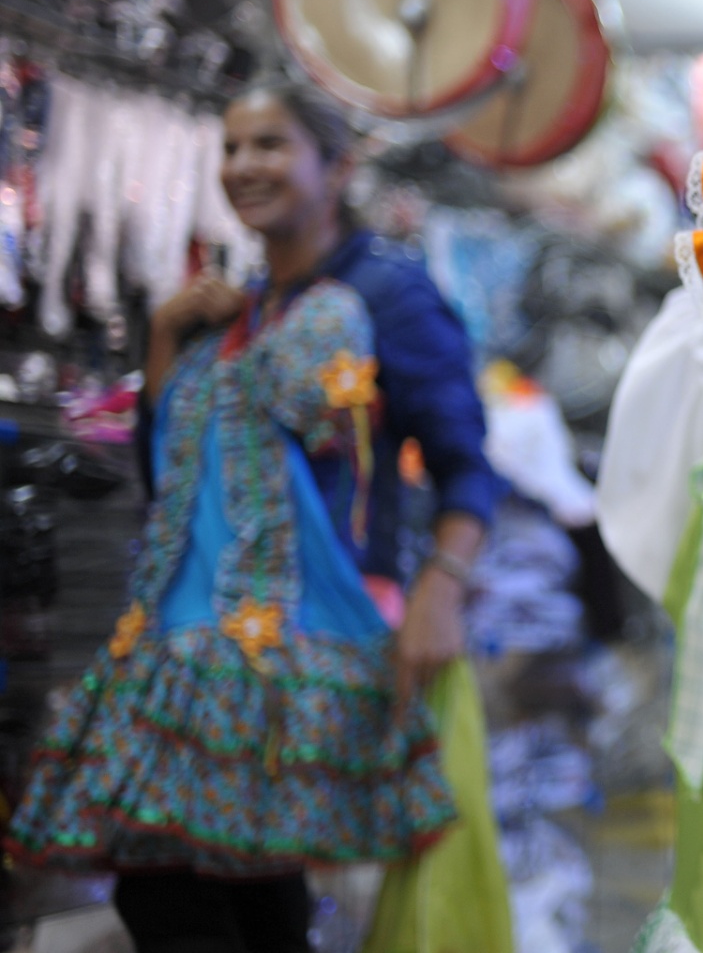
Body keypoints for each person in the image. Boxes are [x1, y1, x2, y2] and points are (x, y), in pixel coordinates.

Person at [5, 82, 499, 953]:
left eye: (270, 145)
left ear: (336, 165)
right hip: (192, 640)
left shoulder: (387, 295)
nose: (242, 167)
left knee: (179, 883)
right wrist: (164, 345)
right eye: (231, 149)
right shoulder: (234, 308)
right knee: (232, 879)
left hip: (302, 635)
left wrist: (442, 589)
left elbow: (466, 465)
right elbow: (173, 484)